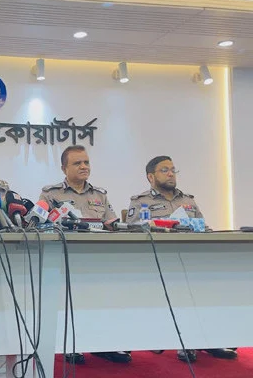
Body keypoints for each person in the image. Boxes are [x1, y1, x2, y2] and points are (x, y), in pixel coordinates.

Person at [128, 155, 237, 363]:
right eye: (164, 170)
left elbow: (203, 228)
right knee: (180, 286)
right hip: (159, 262)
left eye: (173, 169)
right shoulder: (141, 201)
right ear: (151, 177)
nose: (171, 174)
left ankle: (210, 339)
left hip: (191, 260)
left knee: (214, 283)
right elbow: (132, 232)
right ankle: (185, 342)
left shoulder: (187, 200)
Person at [39, 145, 129, 365]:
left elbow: (111, 223)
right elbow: (41, 224)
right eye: (77, 163)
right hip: (65, 257)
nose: (84, 166)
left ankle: (103, 346)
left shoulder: (99, 194)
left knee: (102, 302)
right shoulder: (51, 194)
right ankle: (71, 345)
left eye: (86, 162)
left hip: (98, 258)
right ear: (64, 168)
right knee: (69, 302)